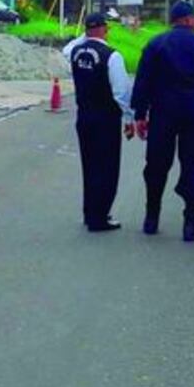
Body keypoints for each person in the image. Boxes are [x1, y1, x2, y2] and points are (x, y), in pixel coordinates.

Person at [131, 1, 194, 242]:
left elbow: (143, 82)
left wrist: (140, 115)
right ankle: (190, 224)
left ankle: (151, 218)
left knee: (155, 166)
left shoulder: (155, 44)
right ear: (186, 19)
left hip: (163, 113)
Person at [63, 13, 134, 233]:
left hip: (84, 117)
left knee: (90, 166)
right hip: (106, 119)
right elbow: (121, 92)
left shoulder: (75, 52)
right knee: (107, 168)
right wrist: (129, 118)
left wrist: (86, 35)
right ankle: (100, 216)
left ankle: (90, 212)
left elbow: (67, 49)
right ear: (105, 29)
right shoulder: (112, 56)